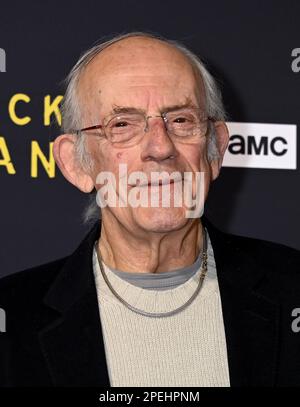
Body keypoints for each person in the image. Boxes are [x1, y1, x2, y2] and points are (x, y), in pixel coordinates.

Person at [0, 32, 299, 387]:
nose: (160, 147)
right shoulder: (11, 321)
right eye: (123, 125)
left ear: (214, 148)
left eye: (182, 120)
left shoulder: (292, 289)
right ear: (76, 164)